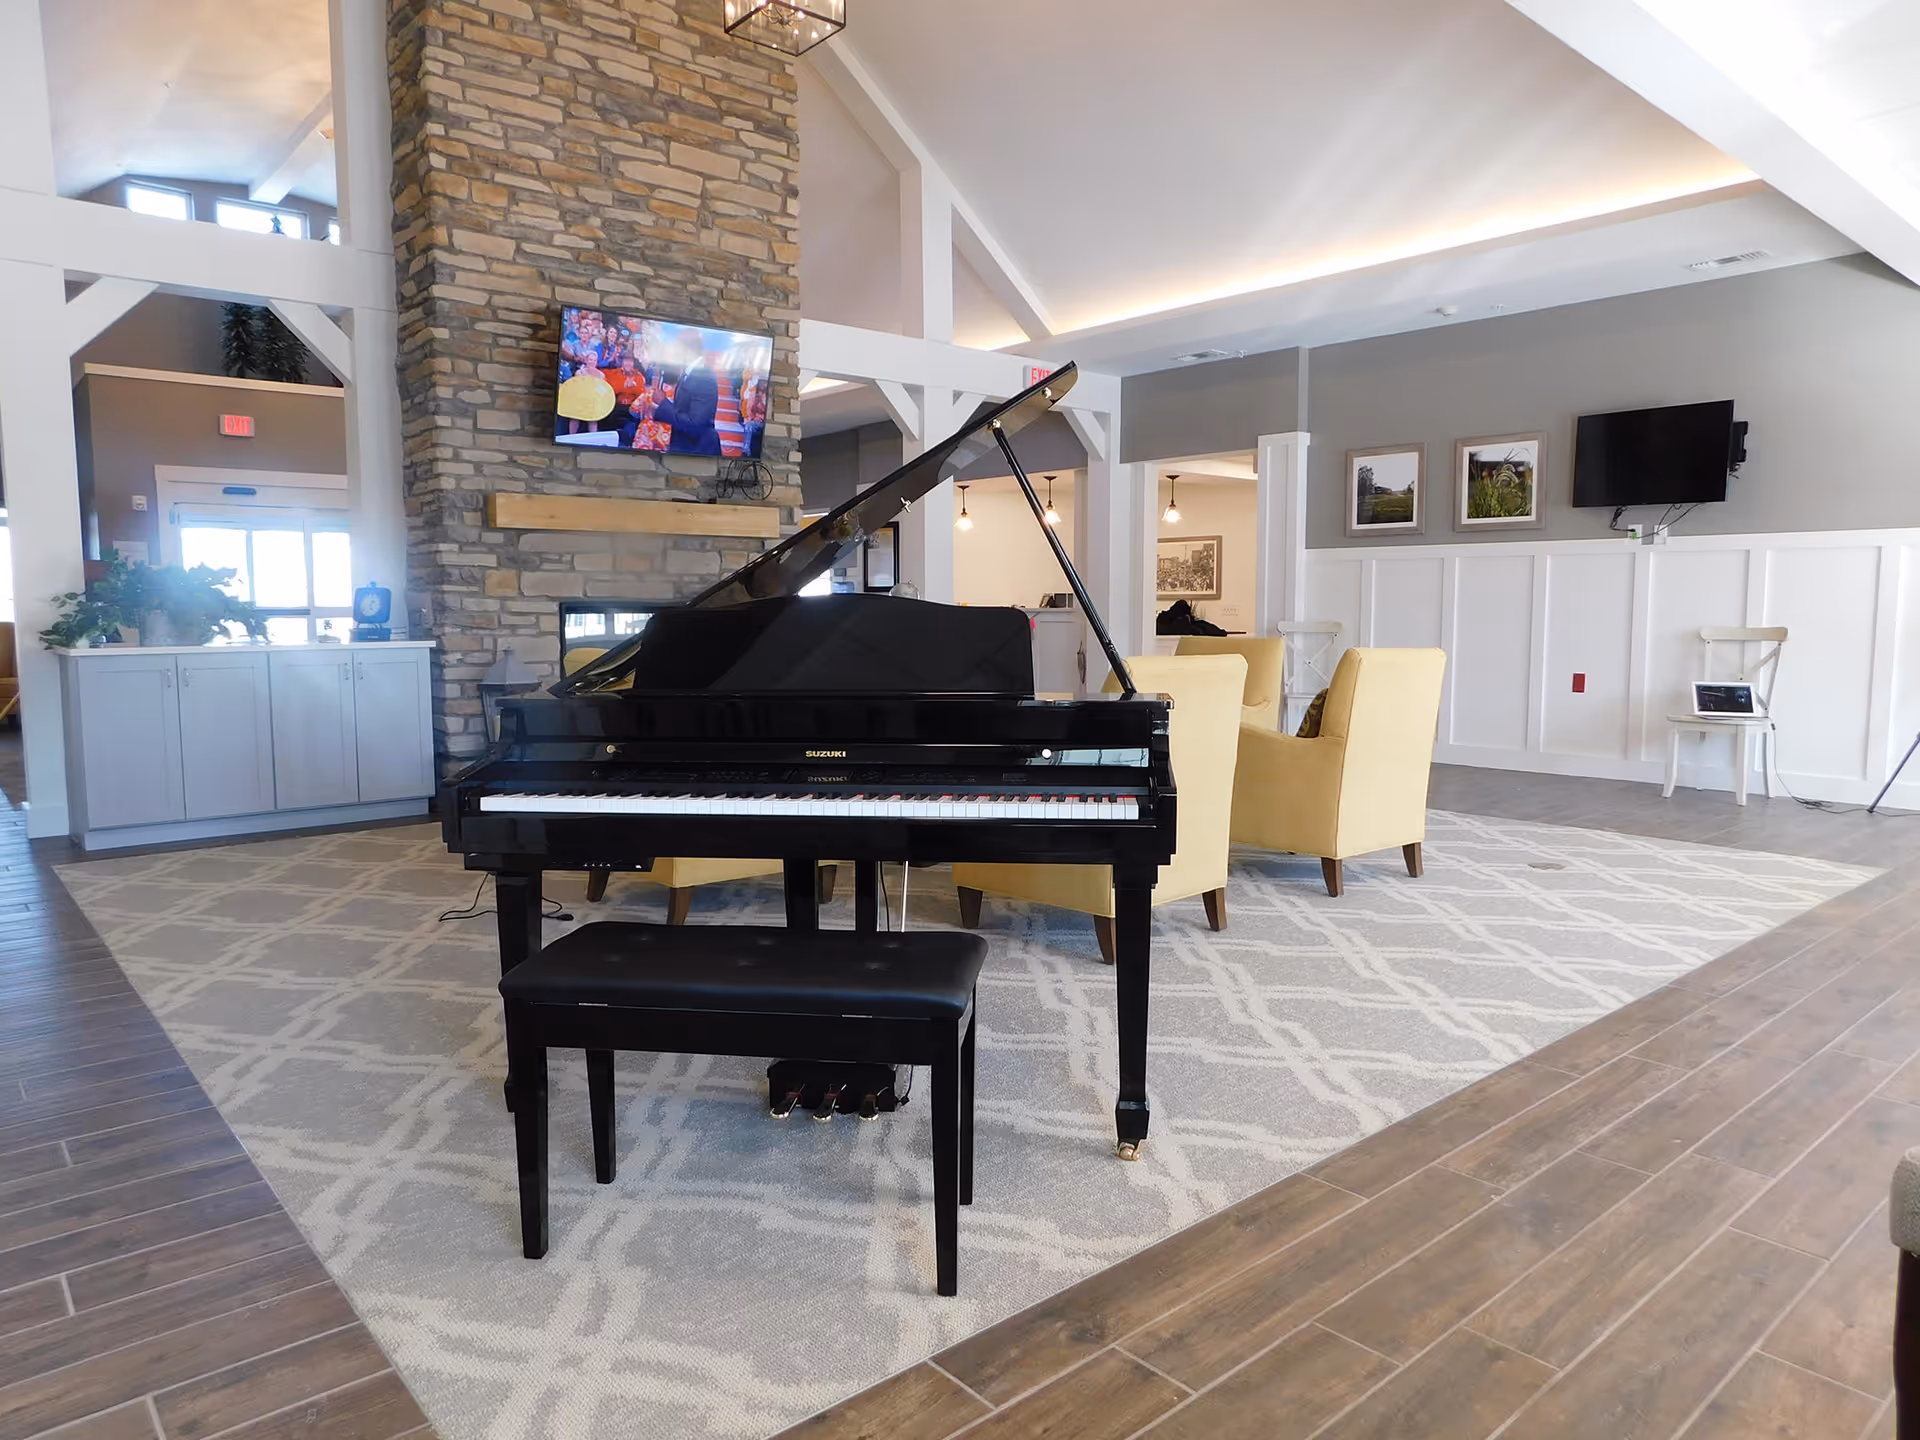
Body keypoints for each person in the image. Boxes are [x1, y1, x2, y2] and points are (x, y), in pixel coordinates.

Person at [665, 333, 721, 455]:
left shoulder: (704, 377)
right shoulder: (688, 373)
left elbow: (696, 424)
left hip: (697, 453)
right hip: (683, 449)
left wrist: (663, 407)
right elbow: (683, 410)